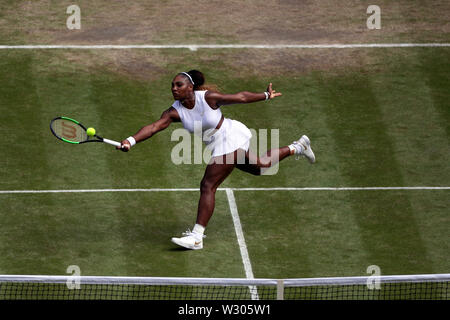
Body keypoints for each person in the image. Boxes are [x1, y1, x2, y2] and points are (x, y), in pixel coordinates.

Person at [119, 70, 315, 250]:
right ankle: (298, 147)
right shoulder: (174, 112)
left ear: (190, 87)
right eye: (172, 85)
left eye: (179, 85)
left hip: (229, 136)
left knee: (208, 185)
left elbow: (241, 97)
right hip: (218, 145)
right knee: (260, 167)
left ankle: (197, 236)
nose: (174, 89)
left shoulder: (208, 98)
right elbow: (154, 127)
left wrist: (265, 95)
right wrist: (130, 140)